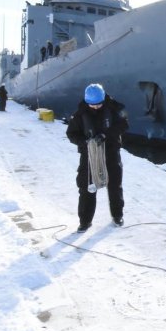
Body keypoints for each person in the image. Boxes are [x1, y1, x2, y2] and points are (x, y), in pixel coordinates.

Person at [65, 83, 128, 233]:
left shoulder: (115, 108)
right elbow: (71, 134)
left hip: (111, 151)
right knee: (87, 188)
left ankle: (117, 215)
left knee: (115, 186)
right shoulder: (79, 114)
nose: (95, 107)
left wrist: (106, 135)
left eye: (98, 104)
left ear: (103, 99)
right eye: (91, 105)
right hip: (90, 155)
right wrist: (85, 142)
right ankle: (85, 221)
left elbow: (124, 124)